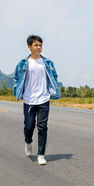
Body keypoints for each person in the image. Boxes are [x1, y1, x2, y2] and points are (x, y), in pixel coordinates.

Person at [13, 35, 61, 165]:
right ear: (29, 47)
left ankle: (41, 154)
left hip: (44, 99)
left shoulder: (47, 63)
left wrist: (52, 89)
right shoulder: (24, 63)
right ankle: (28, 142)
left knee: (42, 126)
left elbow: (54, 77)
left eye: (40, 45)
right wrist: (17, 91)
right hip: (29, 99)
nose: (39, 47)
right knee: (29, 126)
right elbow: (16, 78)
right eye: (36, 45)